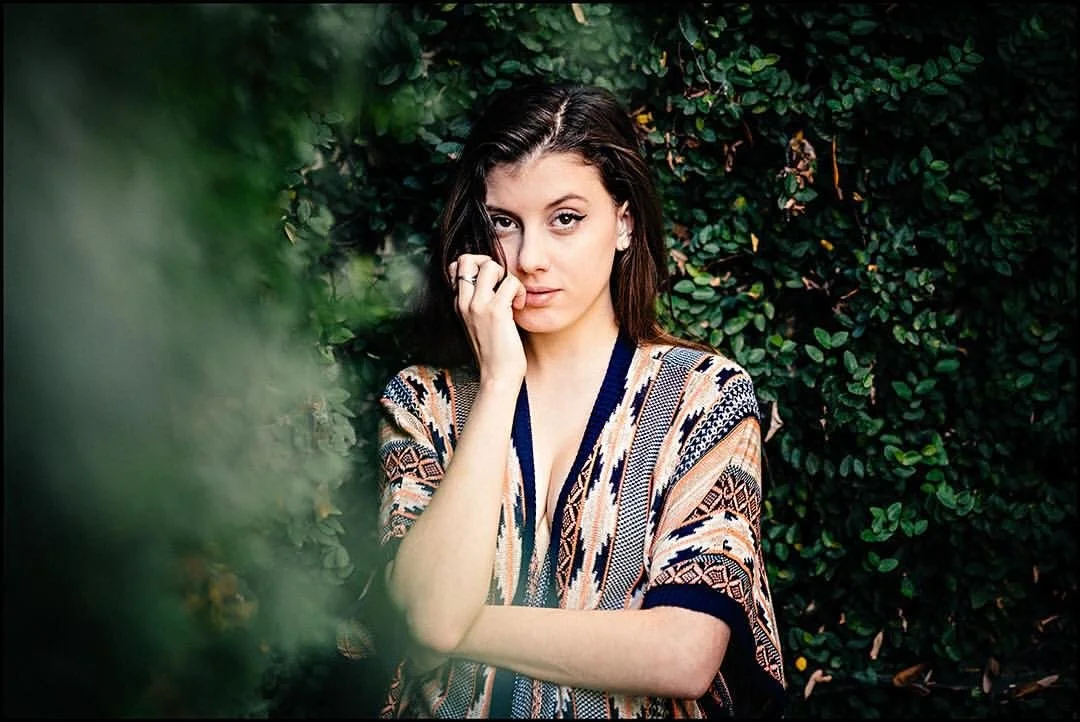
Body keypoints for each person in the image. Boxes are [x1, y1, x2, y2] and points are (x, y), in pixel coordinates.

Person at [376, 82, 787, 718]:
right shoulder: (423, 400)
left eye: (565, 219)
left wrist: (451, 626)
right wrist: (499, 381)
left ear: (624, 221)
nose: (530, 259)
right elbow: (429, 609)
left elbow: (682, 654)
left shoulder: (703, 396)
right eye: (504, 222)